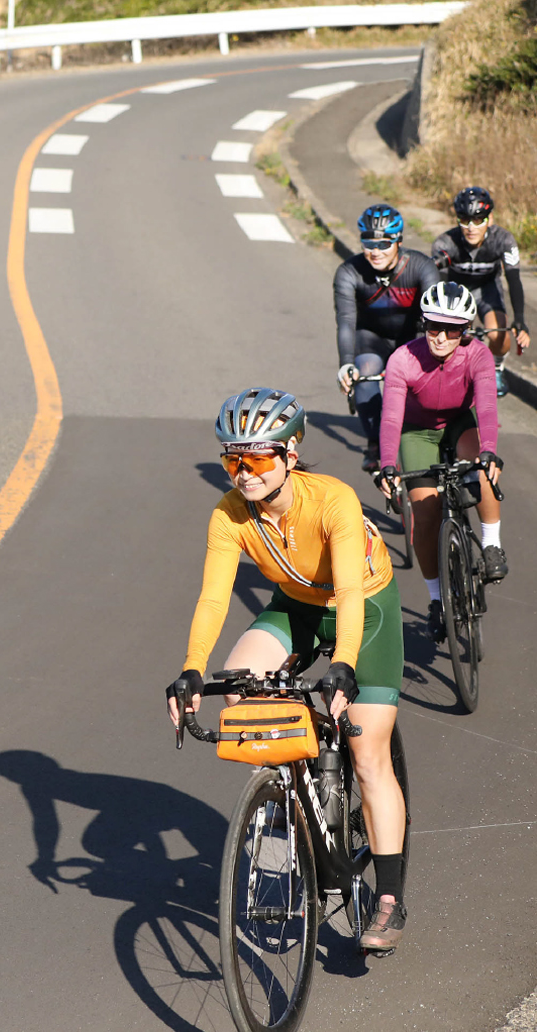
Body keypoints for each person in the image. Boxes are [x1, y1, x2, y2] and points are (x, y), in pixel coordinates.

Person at [166, 387, 409, 952]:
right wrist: (192, 671)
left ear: (290, 456)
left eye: (256, 458)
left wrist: (344, 665)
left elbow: (348, 591)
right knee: (240, 685)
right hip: (297, 606)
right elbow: (213, 600)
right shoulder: (229, 515)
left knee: (367, 750)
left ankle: (390, 900)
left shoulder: (332, 500)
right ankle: (289, 803)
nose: (242, 472)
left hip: (365, 608)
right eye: (232, 459)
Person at [375, 283, 507, 642]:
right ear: (423, 324)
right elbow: (390, 418)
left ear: (465, 331)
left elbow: (487, 405)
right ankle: (436, 599)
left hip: (458, 424)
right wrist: (388, 464)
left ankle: (491, 543)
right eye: (434, 326)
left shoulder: (477, 355)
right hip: (417, 431)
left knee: (481, 471)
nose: (442, 337)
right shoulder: (403, 359)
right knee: (426, 514)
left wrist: (489, 450)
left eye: (453, 330)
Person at [334, 204, 441, 472]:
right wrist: (346, 363)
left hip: (411, 337)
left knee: (416, 383)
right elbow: (346, 322)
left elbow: (436, 313)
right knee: (364, 375)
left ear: (398, 240)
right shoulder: (349, 271)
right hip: (371, 338)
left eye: (383, 244)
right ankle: (374, 441)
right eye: (368, 243)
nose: (375, 251)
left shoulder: (420, 266)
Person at [430, 186, 532, 397]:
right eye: (464, 220)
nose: (471, 227)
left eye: (478, 220)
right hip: (456, 291)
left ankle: (496, 368)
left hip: (487, 290)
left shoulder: (503, 240)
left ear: (490, 218)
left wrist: (520, 319)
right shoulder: (445, 242)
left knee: (497, 333)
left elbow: (513, 279)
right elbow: (438, 286)